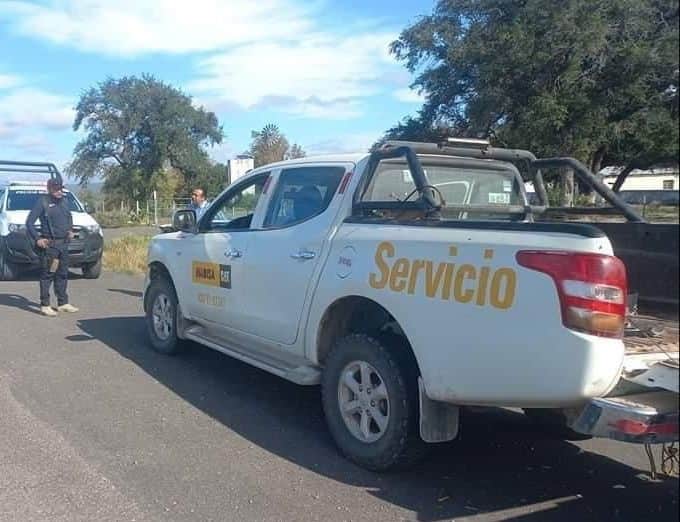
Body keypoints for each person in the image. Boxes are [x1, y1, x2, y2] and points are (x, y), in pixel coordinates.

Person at [25, 179, 79, 317]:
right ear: (49, 189)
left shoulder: (65, 201)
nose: (59, 191)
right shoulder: (42, 202)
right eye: (56, 189)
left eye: (61, 188)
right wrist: (38, 239)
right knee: (48, 275)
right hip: (50, 246)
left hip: (63, 244)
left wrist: (70, 230)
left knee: (62, 273)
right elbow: (29, 223)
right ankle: (45, 305)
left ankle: (63, 303)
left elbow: (69, 217)